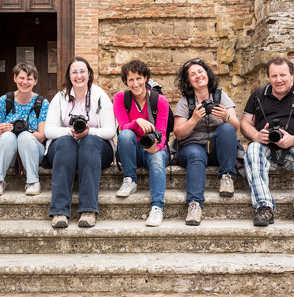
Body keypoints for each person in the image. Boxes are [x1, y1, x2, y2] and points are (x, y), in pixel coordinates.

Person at [45, 56, 116, 228]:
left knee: (90, 140)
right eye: (74, 72)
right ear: (69, 76)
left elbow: (110, 130)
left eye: (82, 71)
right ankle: (60, 211)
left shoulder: (100, 95)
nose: (79, 76)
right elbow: (48, 130)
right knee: (67, 142)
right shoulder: (60, 97)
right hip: (65, 150)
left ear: (89, 74)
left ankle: (88, 210)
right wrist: (69, 132)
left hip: (96, 150)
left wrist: (89, 131)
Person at [174, 58, 239, 226]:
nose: (198, 76)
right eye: (192, 74)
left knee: (226, 129)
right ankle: (194, 204)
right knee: (196, 154)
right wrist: (193, 119)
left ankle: (226, 177)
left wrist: (226, 117)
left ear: (207, 74)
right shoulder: (185, 101)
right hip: (192, 147)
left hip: (218, 149)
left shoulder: (219, 95)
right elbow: (179, 133)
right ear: (188, 80)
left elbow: (236, 126)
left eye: (200, 72)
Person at [113, 60, 170, 227]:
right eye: (130, 80)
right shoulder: (121, 98)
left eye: (138, 78)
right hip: (131, 151)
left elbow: (162, 133)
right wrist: (137, 121)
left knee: (158, 159)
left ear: (146, 78)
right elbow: (123, 127)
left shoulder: (160, 101)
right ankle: (130, 179)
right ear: (126, 81)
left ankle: (157, 207)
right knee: (125, 135)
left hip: (153, 147)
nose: (135, 83)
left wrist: (156, 147)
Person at [241, 56, 294, 227]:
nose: (278, 80)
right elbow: (244, 124)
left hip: (292, 149)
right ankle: (264, 207)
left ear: (292, 75)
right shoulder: (257, 95)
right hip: (264, 151)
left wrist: (292, 139)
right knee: (252, 148)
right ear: (268, 77)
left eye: (283, 75)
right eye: (274, 76)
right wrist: (256, 135)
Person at [0, 62, 49, 196]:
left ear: (35, 81)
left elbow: (42, 135)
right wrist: (4, 129)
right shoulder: (5, 100)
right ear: (15, 78)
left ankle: (33, 182)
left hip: (33, 153)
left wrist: (26, 133)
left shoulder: (42, 103)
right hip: (10, 154)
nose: (25, 82)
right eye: (21, 78)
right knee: (7, 136)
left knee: (25, 136)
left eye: (29, 79)